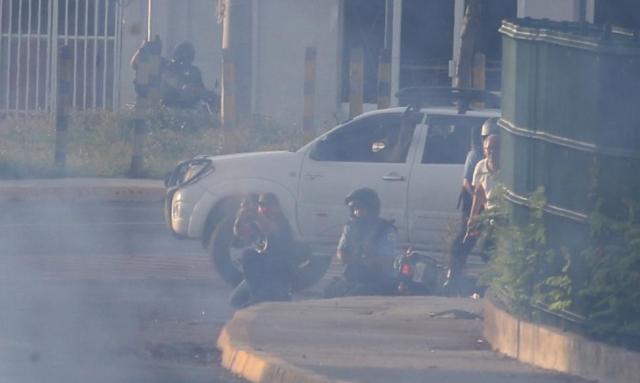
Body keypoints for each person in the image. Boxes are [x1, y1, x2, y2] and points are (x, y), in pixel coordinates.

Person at [443, 118, 499, 292]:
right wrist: (475, 214)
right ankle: (453, 276)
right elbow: (469, 183)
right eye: (488, 143)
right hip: (475, 200)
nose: (491, 151)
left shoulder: (507, 161)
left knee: (490, 247)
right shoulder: (476, 156)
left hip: (497, 210)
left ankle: (496, 283)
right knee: (465, 240)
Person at [323, 188, 398, 298]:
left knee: (360, 293)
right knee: (330, 291)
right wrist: (352, 258)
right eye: (354, 209)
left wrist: (369, 257)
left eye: (360, 208)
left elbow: (386, 260)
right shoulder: (350, 227)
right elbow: (341, 251)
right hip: (353, 278)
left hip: (377, 280)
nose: (356, 212)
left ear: (371, 208)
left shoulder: (385, 230)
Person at [229, 193, 295, 309]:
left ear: (276, 207)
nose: (264, 209)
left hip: (278, 275)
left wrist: (256, 214)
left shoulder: (282, 222)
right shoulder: (259, 222)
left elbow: (270, 227)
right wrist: (241, 215)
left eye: (266, 206)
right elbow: (240, 232)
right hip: (262, 275)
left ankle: (262, 297)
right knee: (235, 300)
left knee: (249, 256)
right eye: (261, 206)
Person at [161, 41, 218, 110]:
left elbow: (201, 88)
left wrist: (207, 93)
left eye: (190, 55)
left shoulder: (194, 71)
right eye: (187, 55)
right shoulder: (169, 69)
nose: (189, 58)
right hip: (172, 108)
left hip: (190, 109)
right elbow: (167, 90)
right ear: (179, 55)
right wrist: (182, 90)